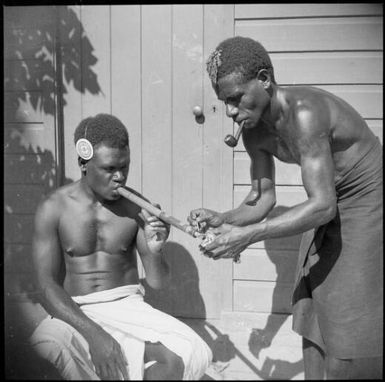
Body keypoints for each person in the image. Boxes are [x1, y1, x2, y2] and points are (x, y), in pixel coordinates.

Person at [188, 36, 382, 379]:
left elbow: (322, 207)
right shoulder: (252, 130)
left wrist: (246, 236)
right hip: (327, 195)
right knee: (309, 301)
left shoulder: (306, 114)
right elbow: (263, 199)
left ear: (264, 79)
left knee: (348, 315)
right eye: (225, 102)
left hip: (367, 194)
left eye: (236, 98)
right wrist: (224, 218)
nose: (231, 110)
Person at [29, 113, 212, 380]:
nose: (119, 177)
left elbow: (158, 282)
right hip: (76, 309)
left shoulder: (138, 207)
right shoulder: (53, 208)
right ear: (83, 162)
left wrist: (156, 249)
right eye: (109, 169)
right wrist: (95, 335)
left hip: (127, 306)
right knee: (45, 349)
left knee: (187, 352)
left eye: (124, 167)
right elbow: (46, 287)